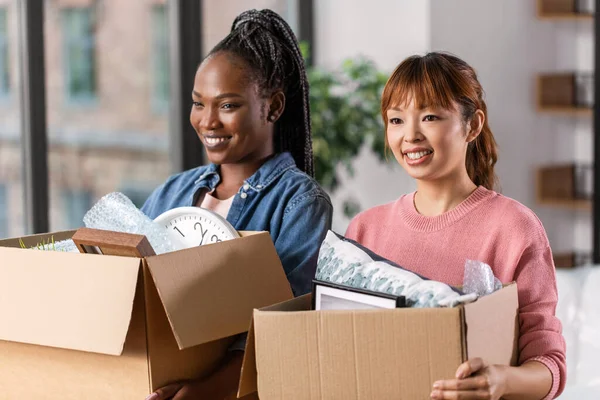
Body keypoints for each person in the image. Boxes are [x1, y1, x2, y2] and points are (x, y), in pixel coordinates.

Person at [345, 52, 566, 400]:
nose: (410, 135)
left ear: (472, 125)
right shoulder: (364, 231)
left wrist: (501, 381)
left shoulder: (514, 229)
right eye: (396, 120)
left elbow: (548, 364)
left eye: (430, 117)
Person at [141, 9, 332, 400]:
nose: (208, 121)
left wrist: (204, 392)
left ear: (273, 107)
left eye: (227, 105)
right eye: (199, 103)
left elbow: (277, 329)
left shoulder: (300, 204)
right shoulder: (171, 193)